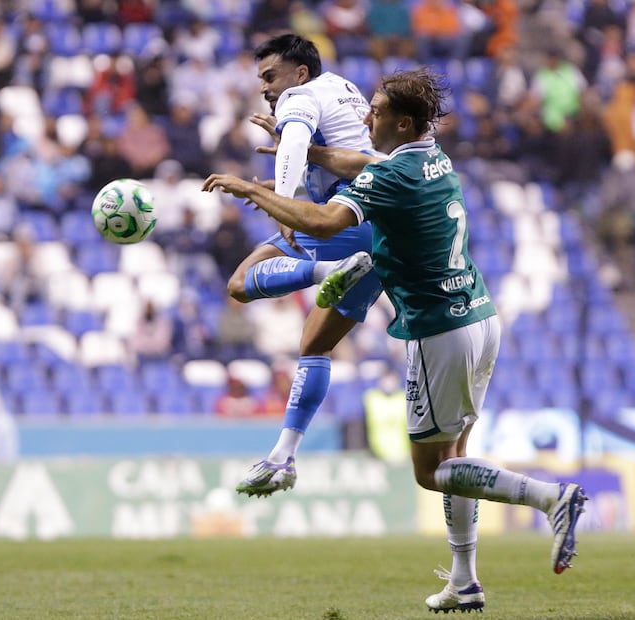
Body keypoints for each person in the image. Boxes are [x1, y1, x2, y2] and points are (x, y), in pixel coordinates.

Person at [204, 68, 588, 613]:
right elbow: (361, 164)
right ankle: (464, 580)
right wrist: (311, 153)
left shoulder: (391, 177)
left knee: (432, 471)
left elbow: (321, 223)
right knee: (456, 454)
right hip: (480, 316)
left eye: (377, 111)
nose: (366, 117)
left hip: (439, 331)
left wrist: (251, 189)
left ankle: (554, 499)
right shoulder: (431, 156)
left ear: (402, 122)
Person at [226, 33, 383, 497]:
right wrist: (286, 181)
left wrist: (286, 200)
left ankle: (325, 273)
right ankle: (283, 457)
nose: (265, 88)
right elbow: (341, 156)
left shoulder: (300, 96)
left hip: (344, 220)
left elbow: (296, 141)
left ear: (299, 73)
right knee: (315, 344)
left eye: (270, 76)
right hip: (380, 227)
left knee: (239, 284)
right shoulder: (344, 89)